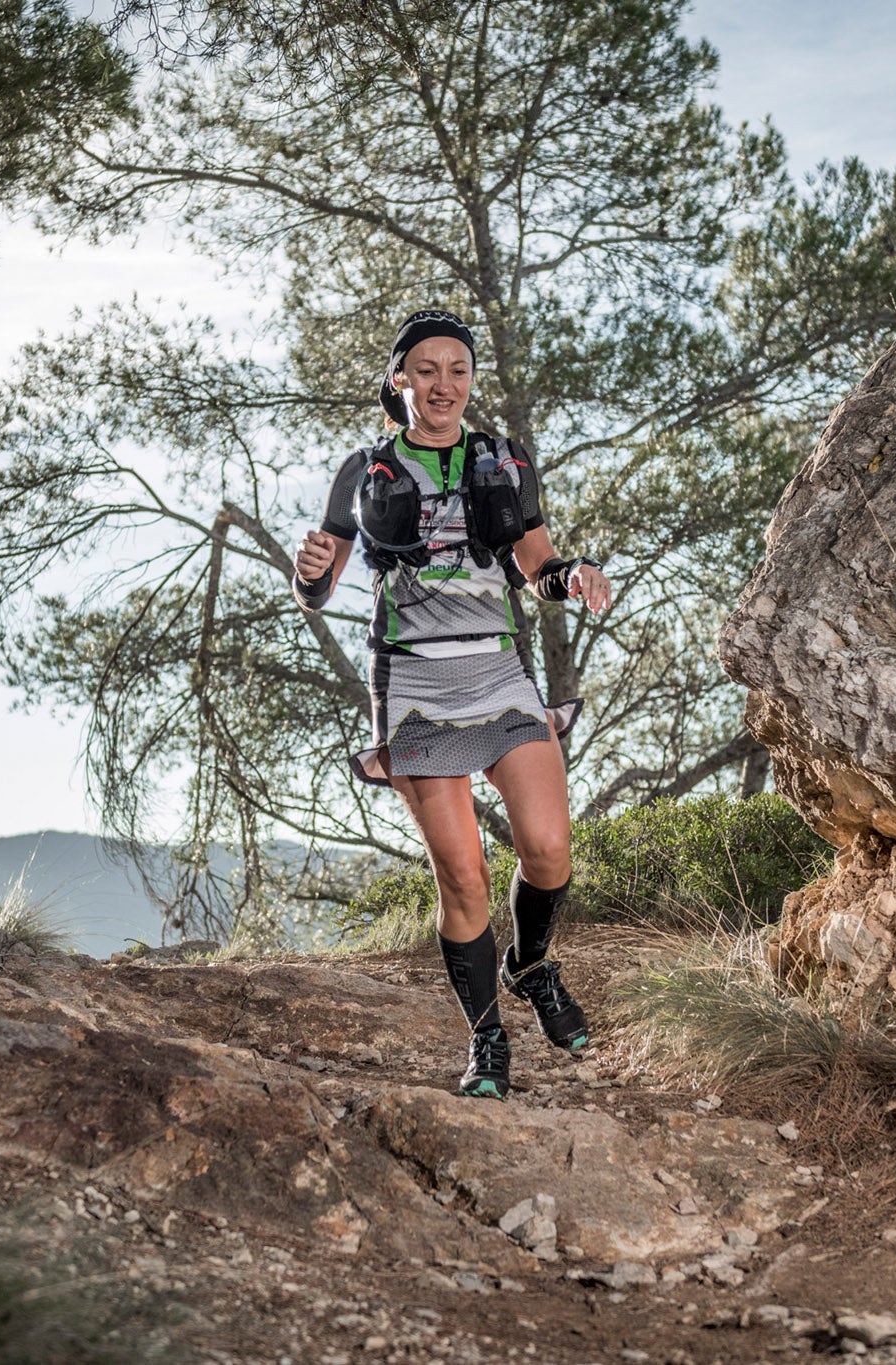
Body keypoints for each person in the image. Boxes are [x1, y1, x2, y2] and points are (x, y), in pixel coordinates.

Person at [290, 309, 614, 1099]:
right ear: (400, 378)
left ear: (471, 379)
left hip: (500, 672)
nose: (444, 384)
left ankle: (530, 964)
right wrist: (307, 571)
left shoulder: (504, 461)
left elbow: (535, 561)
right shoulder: (363, 470)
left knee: (548, 846)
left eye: (458, 370)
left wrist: (571, 577)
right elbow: (319, 587)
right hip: (413, 687)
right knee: (464, 875)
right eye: (427, 370)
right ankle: (487, 1038)